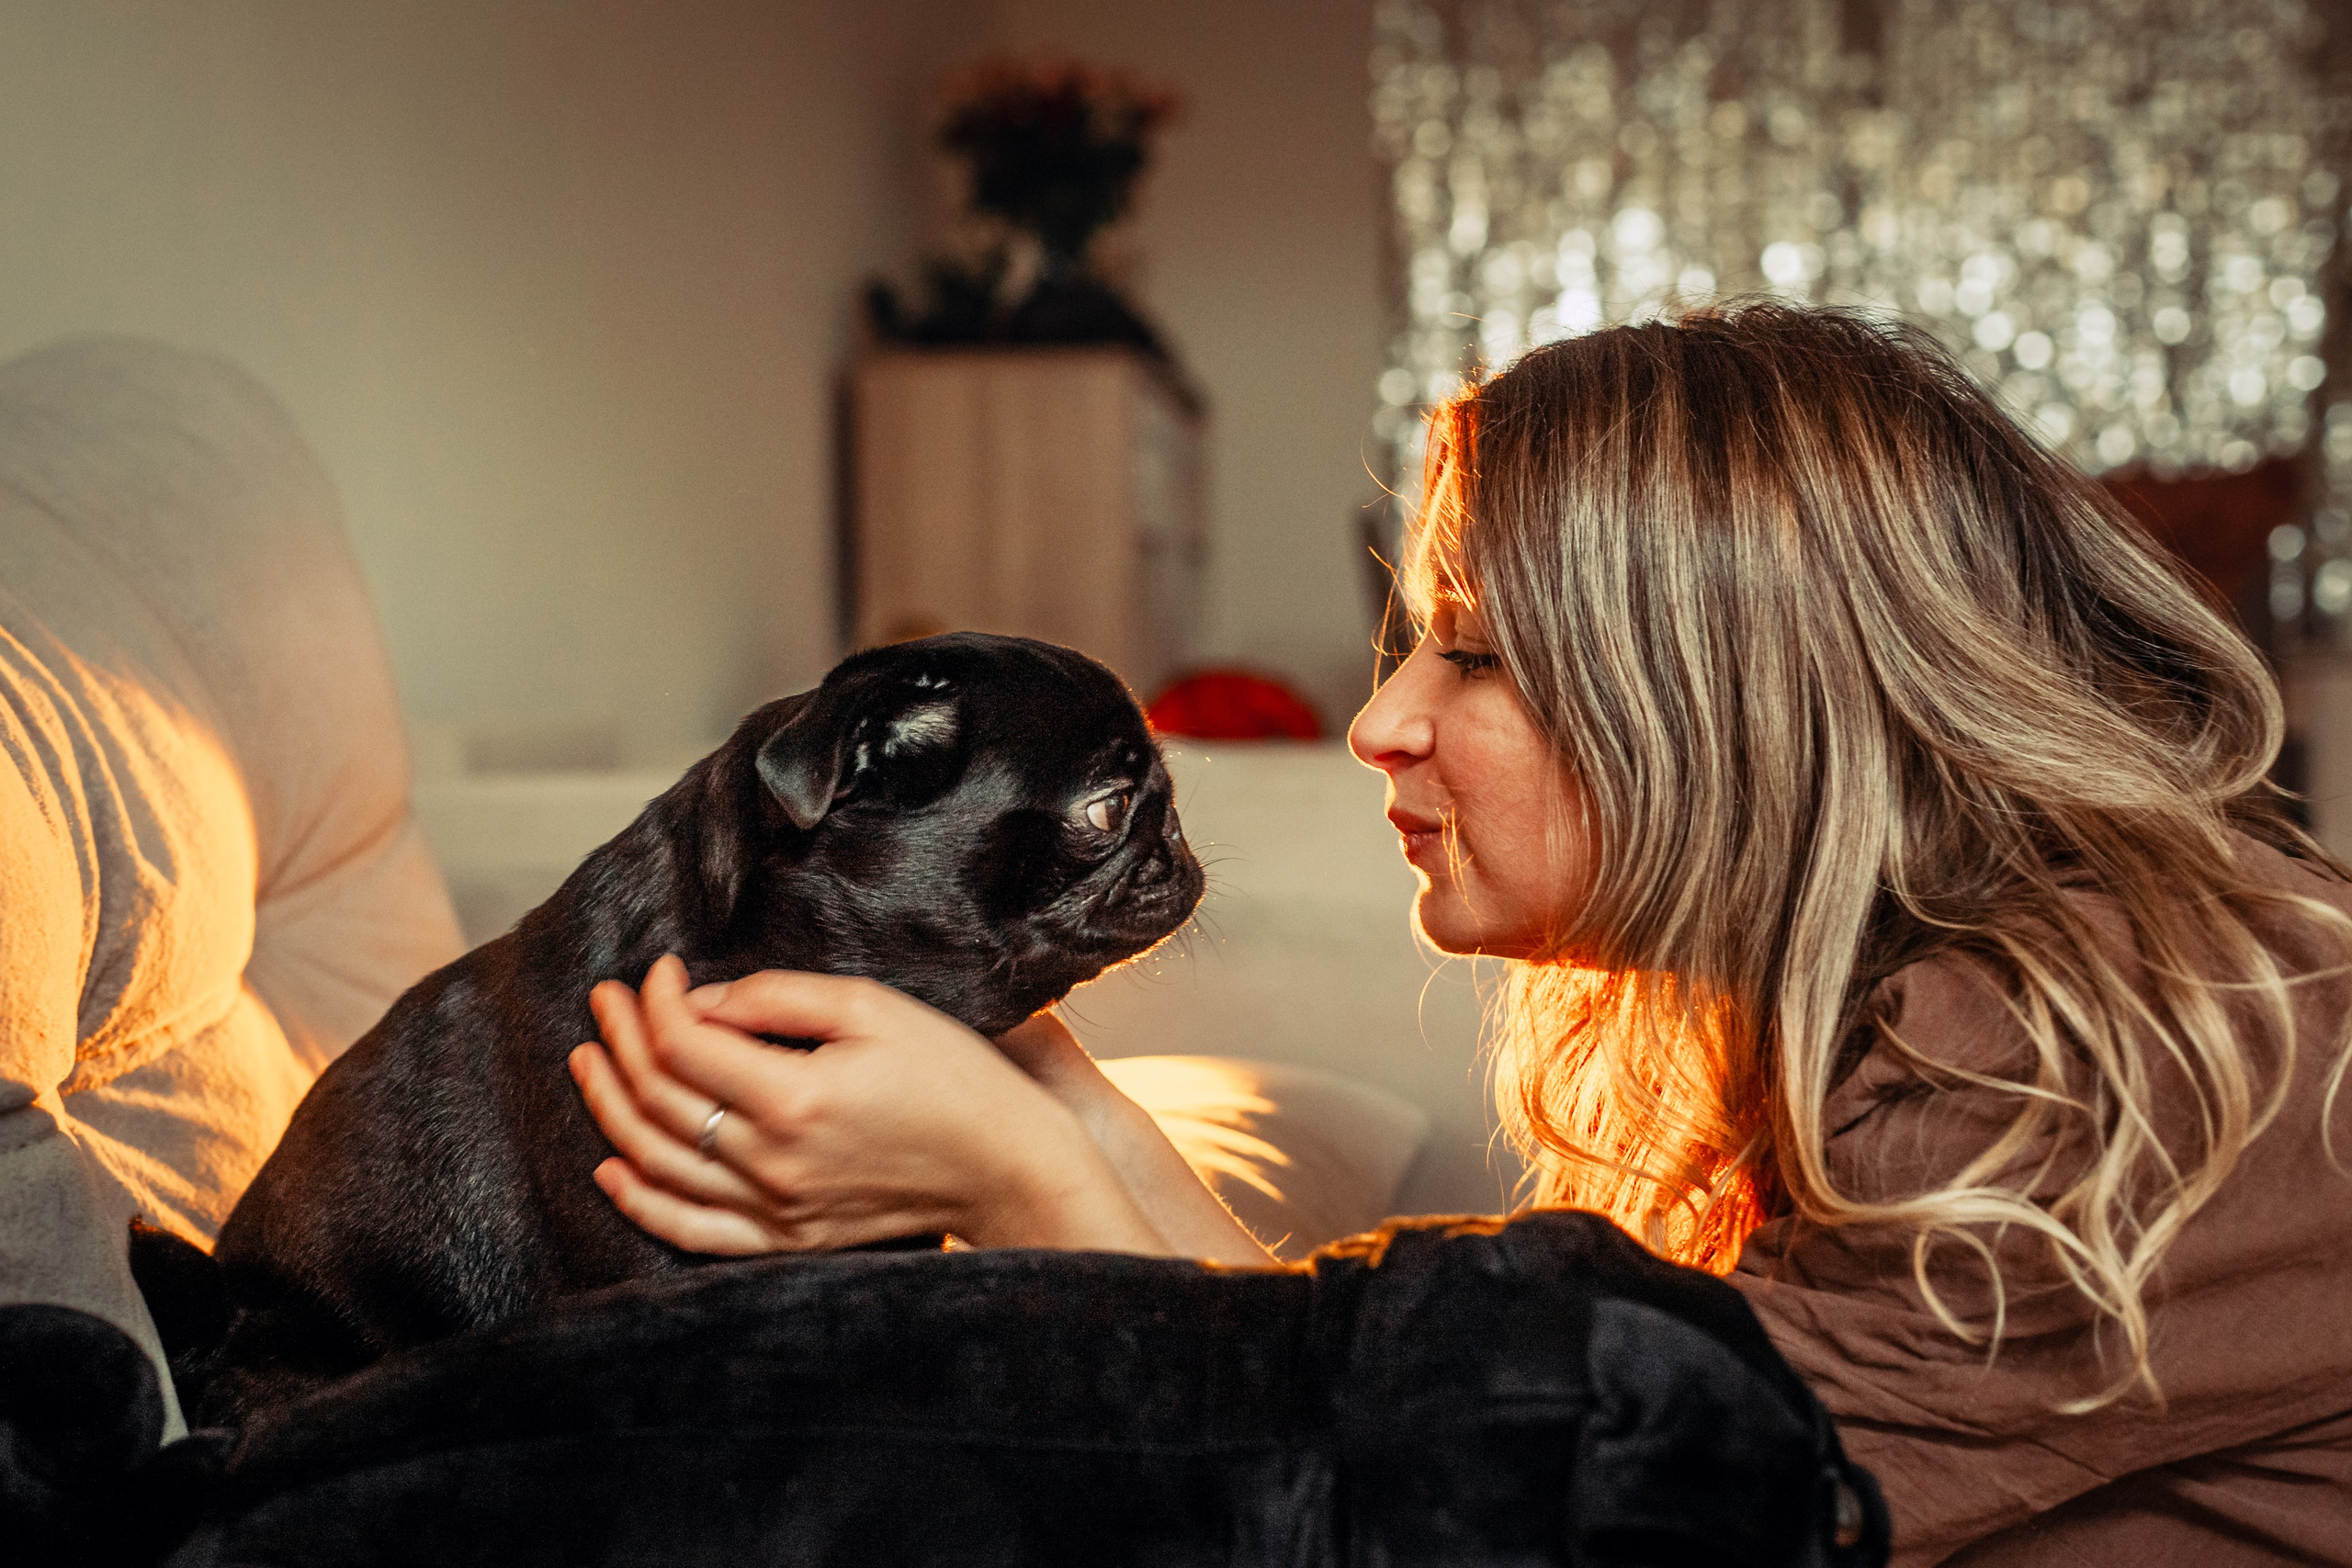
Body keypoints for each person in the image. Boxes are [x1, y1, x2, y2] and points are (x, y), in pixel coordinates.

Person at [567, 303, 2352, 1564]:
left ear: (1721, 697)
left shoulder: (2103, 1034)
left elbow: (1489, 1524)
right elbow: (1428, 1428)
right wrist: (1059, 1106)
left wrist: (1023, 1180)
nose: (1378, 723)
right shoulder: (1881, 1005)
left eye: (1473, 650)